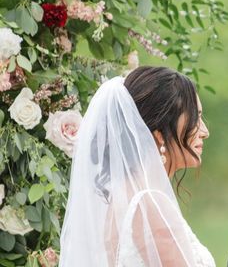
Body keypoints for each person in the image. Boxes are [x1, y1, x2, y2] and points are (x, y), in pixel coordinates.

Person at [59, 66, 215, 267]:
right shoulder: (150, 204)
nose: (204, 131)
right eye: (195, 118)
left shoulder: (124, 199)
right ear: (159, 133)